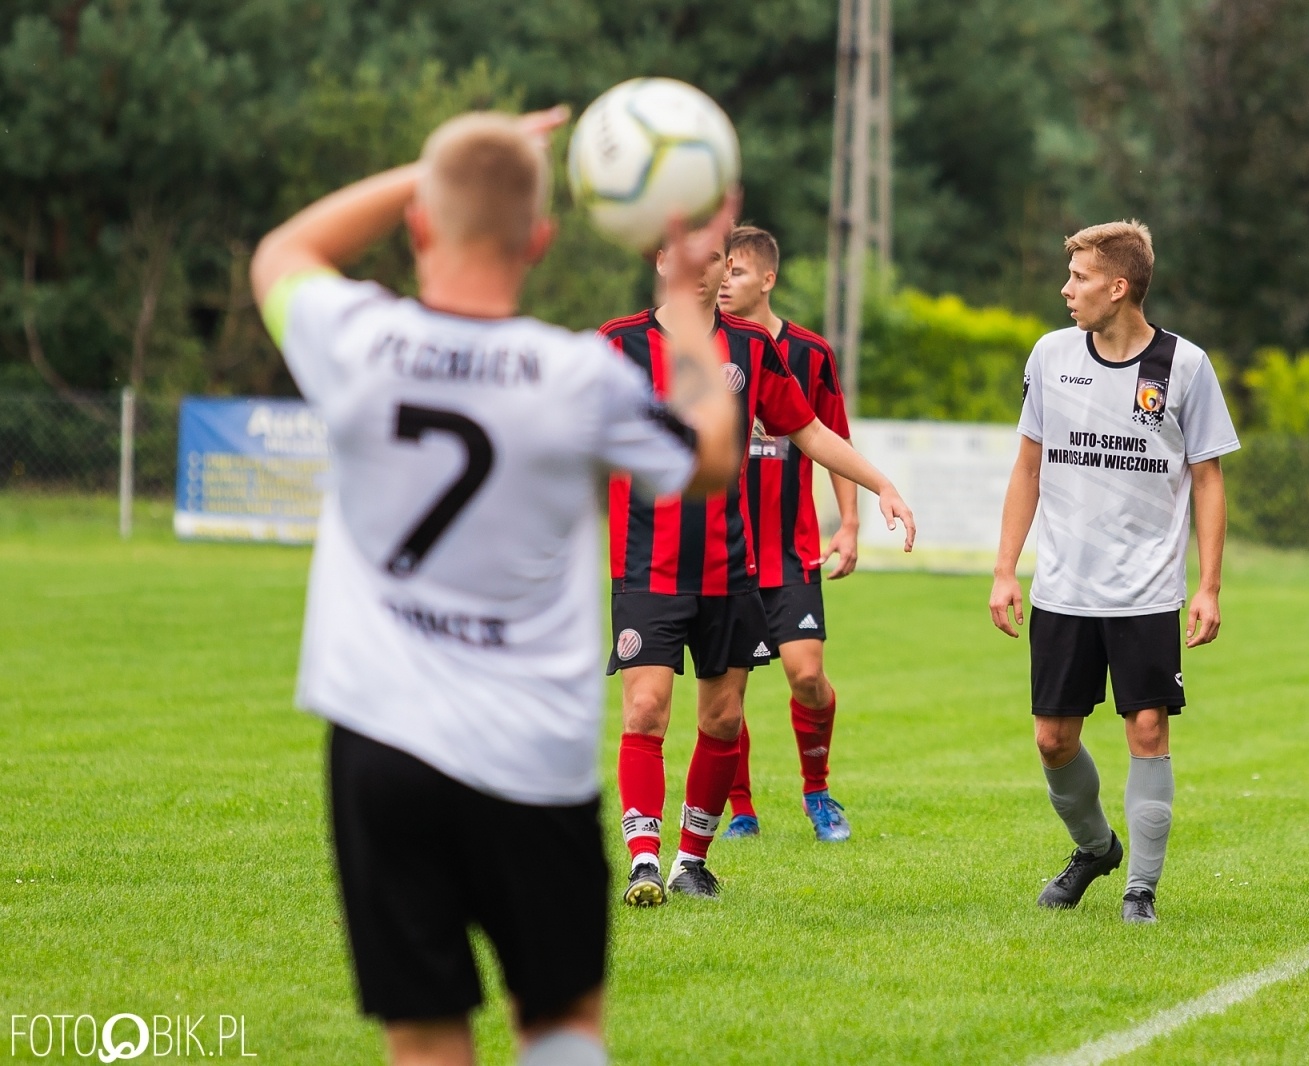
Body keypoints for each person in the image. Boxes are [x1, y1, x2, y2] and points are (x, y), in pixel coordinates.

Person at [250, 107, 743, 1066]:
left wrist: (435, 167)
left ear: (422, 226)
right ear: (544, 240)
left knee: (425, 1035)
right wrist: (686, 295)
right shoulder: (576, 376)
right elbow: (713, 456)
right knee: (559, 1027)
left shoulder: (354, 336)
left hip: (380, 745)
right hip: (530, 754)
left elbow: (285, 249)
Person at [600, 233, 915, 905]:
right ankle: (644, 859)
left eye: (711, 260)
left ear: (724, 269)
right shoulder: (617, 346)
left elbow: (811, 432)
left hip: (730, 570)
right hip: (646, 567)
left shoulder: (750, 349)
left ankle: (691, 860)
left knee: (720, 720)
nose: (696, 272)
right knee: (647, 708)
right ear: (658, 262)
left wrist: (880, 485)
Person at [987, 220, 1238, 924]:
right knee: (1052, 739)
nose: (1067, 291)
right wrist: (1005, 570)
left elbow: (1209, 479)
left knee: (1148, 728)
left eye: (1080, 279)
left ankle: (1141, 892)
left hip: (1148, 589)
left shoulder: (1184, 366)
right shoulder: (1050, 355)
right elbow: (1028, 467)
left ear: (1118, 287)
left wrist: (1208, 586)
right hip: (1064, 586)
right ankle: (1096, 848)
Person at [715, 225, 858, 842]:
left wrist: (849, 523)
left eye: (737, 273)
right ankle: (740, 808)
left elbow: (834, 442)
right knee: (728, 690)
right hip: (723, 549)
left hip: (792, 549)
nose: (723, 282)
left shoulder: (811, 354)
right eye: (720, 271)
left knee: (806, 676)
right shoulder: (706, 349)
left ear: (767, 279)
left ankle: (818, 793)